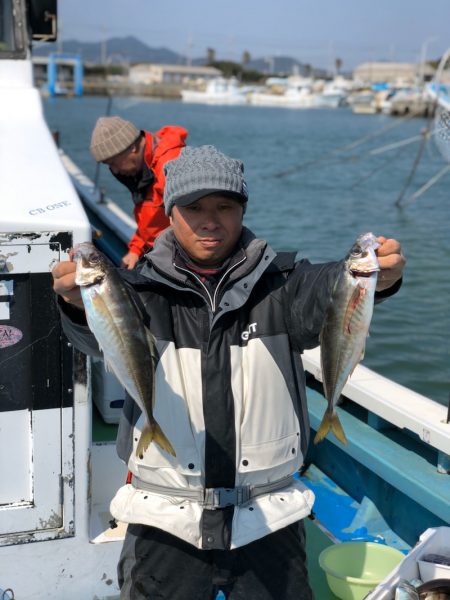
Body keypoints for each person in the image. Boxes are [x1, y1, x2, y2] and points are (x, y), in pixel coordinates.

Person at [52, 145, 406, 600]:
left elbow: (331, 289)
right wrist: (77, 306)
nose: (209, 220)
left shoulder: (283, 285)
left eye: (224, 206)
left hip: (268, 516)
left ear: (242, 210)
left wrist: (382, 277)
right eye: (193, 208)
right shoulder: (136, 290)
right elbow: (92, 340)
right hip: (165, 515)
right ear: (170, 212)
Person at [90, 115, 188, 269]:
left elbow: (194, 231)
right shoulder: (143, 167)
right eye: (108, 165)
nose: (115, 171)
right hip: (160, 253)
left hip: (179, 262)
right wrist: (136, 249)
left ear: (132, 148)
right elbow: (151, 220)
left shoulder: (169, 169)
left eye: (114, 162)